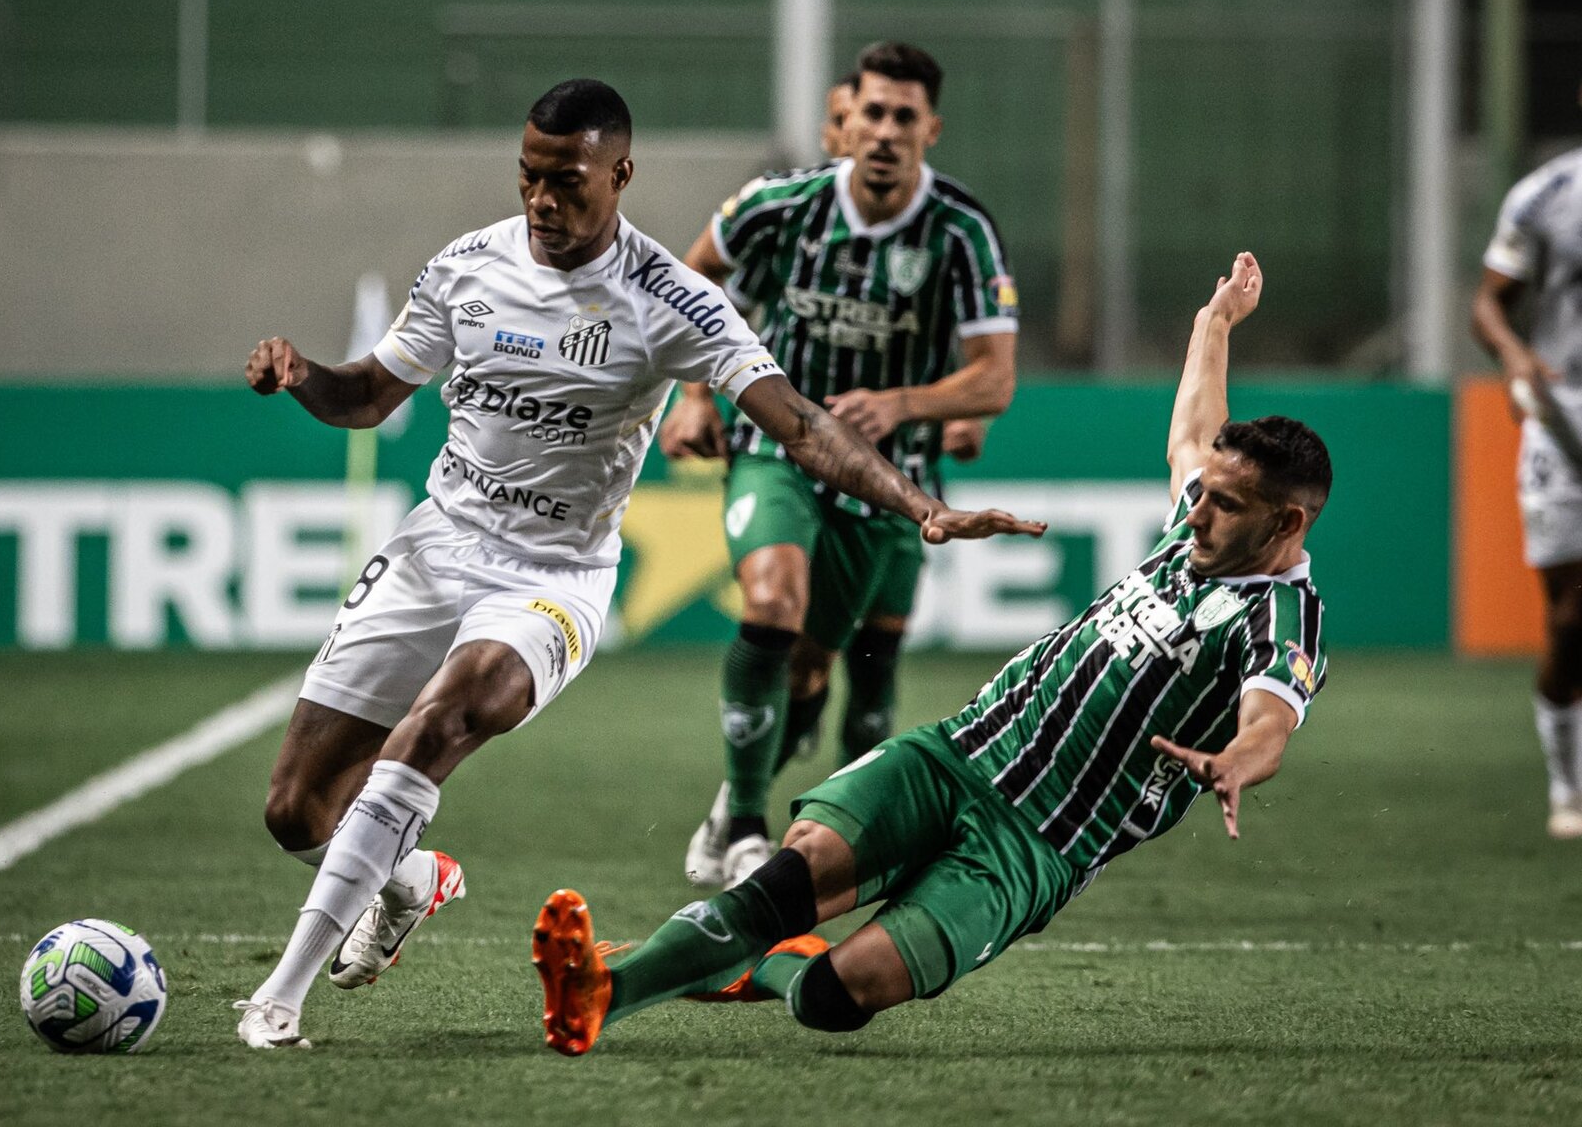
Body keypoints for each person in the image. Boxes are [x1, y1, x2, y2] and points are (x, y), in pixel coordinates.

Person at [233, 78, 1046, 1049]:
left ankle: (278, 998)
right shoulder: (465, 266)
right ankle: (409, 878)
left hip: (551, 578)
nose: (542, 200)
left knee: (441, 721)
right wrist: (301, 376)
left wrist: (917, 504)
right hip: (434, 547)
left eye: (567, 181)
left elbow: (799, 423)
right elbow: (368, 395)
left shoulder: (669, 299)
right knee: (295, 812)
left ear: (620, 174)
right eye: (529, 177)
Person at [534, 251, 1332, 1057]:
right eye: (1202, 494)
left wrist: (1236, 762)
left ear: (1284, 526)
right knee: (789, 874)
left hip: (1033, 847)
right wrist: (1214, 320)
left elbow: (1269, 719)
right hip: (960, 752)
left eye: (1224, 505)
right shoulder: (1196, 523)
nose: (1196, 513)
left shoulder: (1284, 617)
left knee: (836, 995)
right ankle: (603, 991)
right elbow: (1194, 428)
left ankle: (748, 967)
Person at [660, 42, 1018, 891]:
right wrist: (696, 397)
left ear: (930, 130)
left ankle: (759, 811)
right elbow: (685, 283)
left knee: (829, 673)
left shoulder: (961, 233)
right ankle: (748, 826)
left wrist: (906, 405)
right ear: (843, 118)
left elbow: (993, 376)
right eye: (873, 113)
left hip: (888, 483)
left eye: (904, 117)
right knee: (772, 600)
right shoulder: (779, 206)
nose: (886, 131)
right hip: (777, 450)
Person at [1472, 149, 1582, 839]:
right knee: (1570, 620)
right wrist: (1512, 356)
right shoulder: (1544, 196)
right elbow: (1487, 302)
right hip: (1561, 409)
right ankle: (1566, 786)